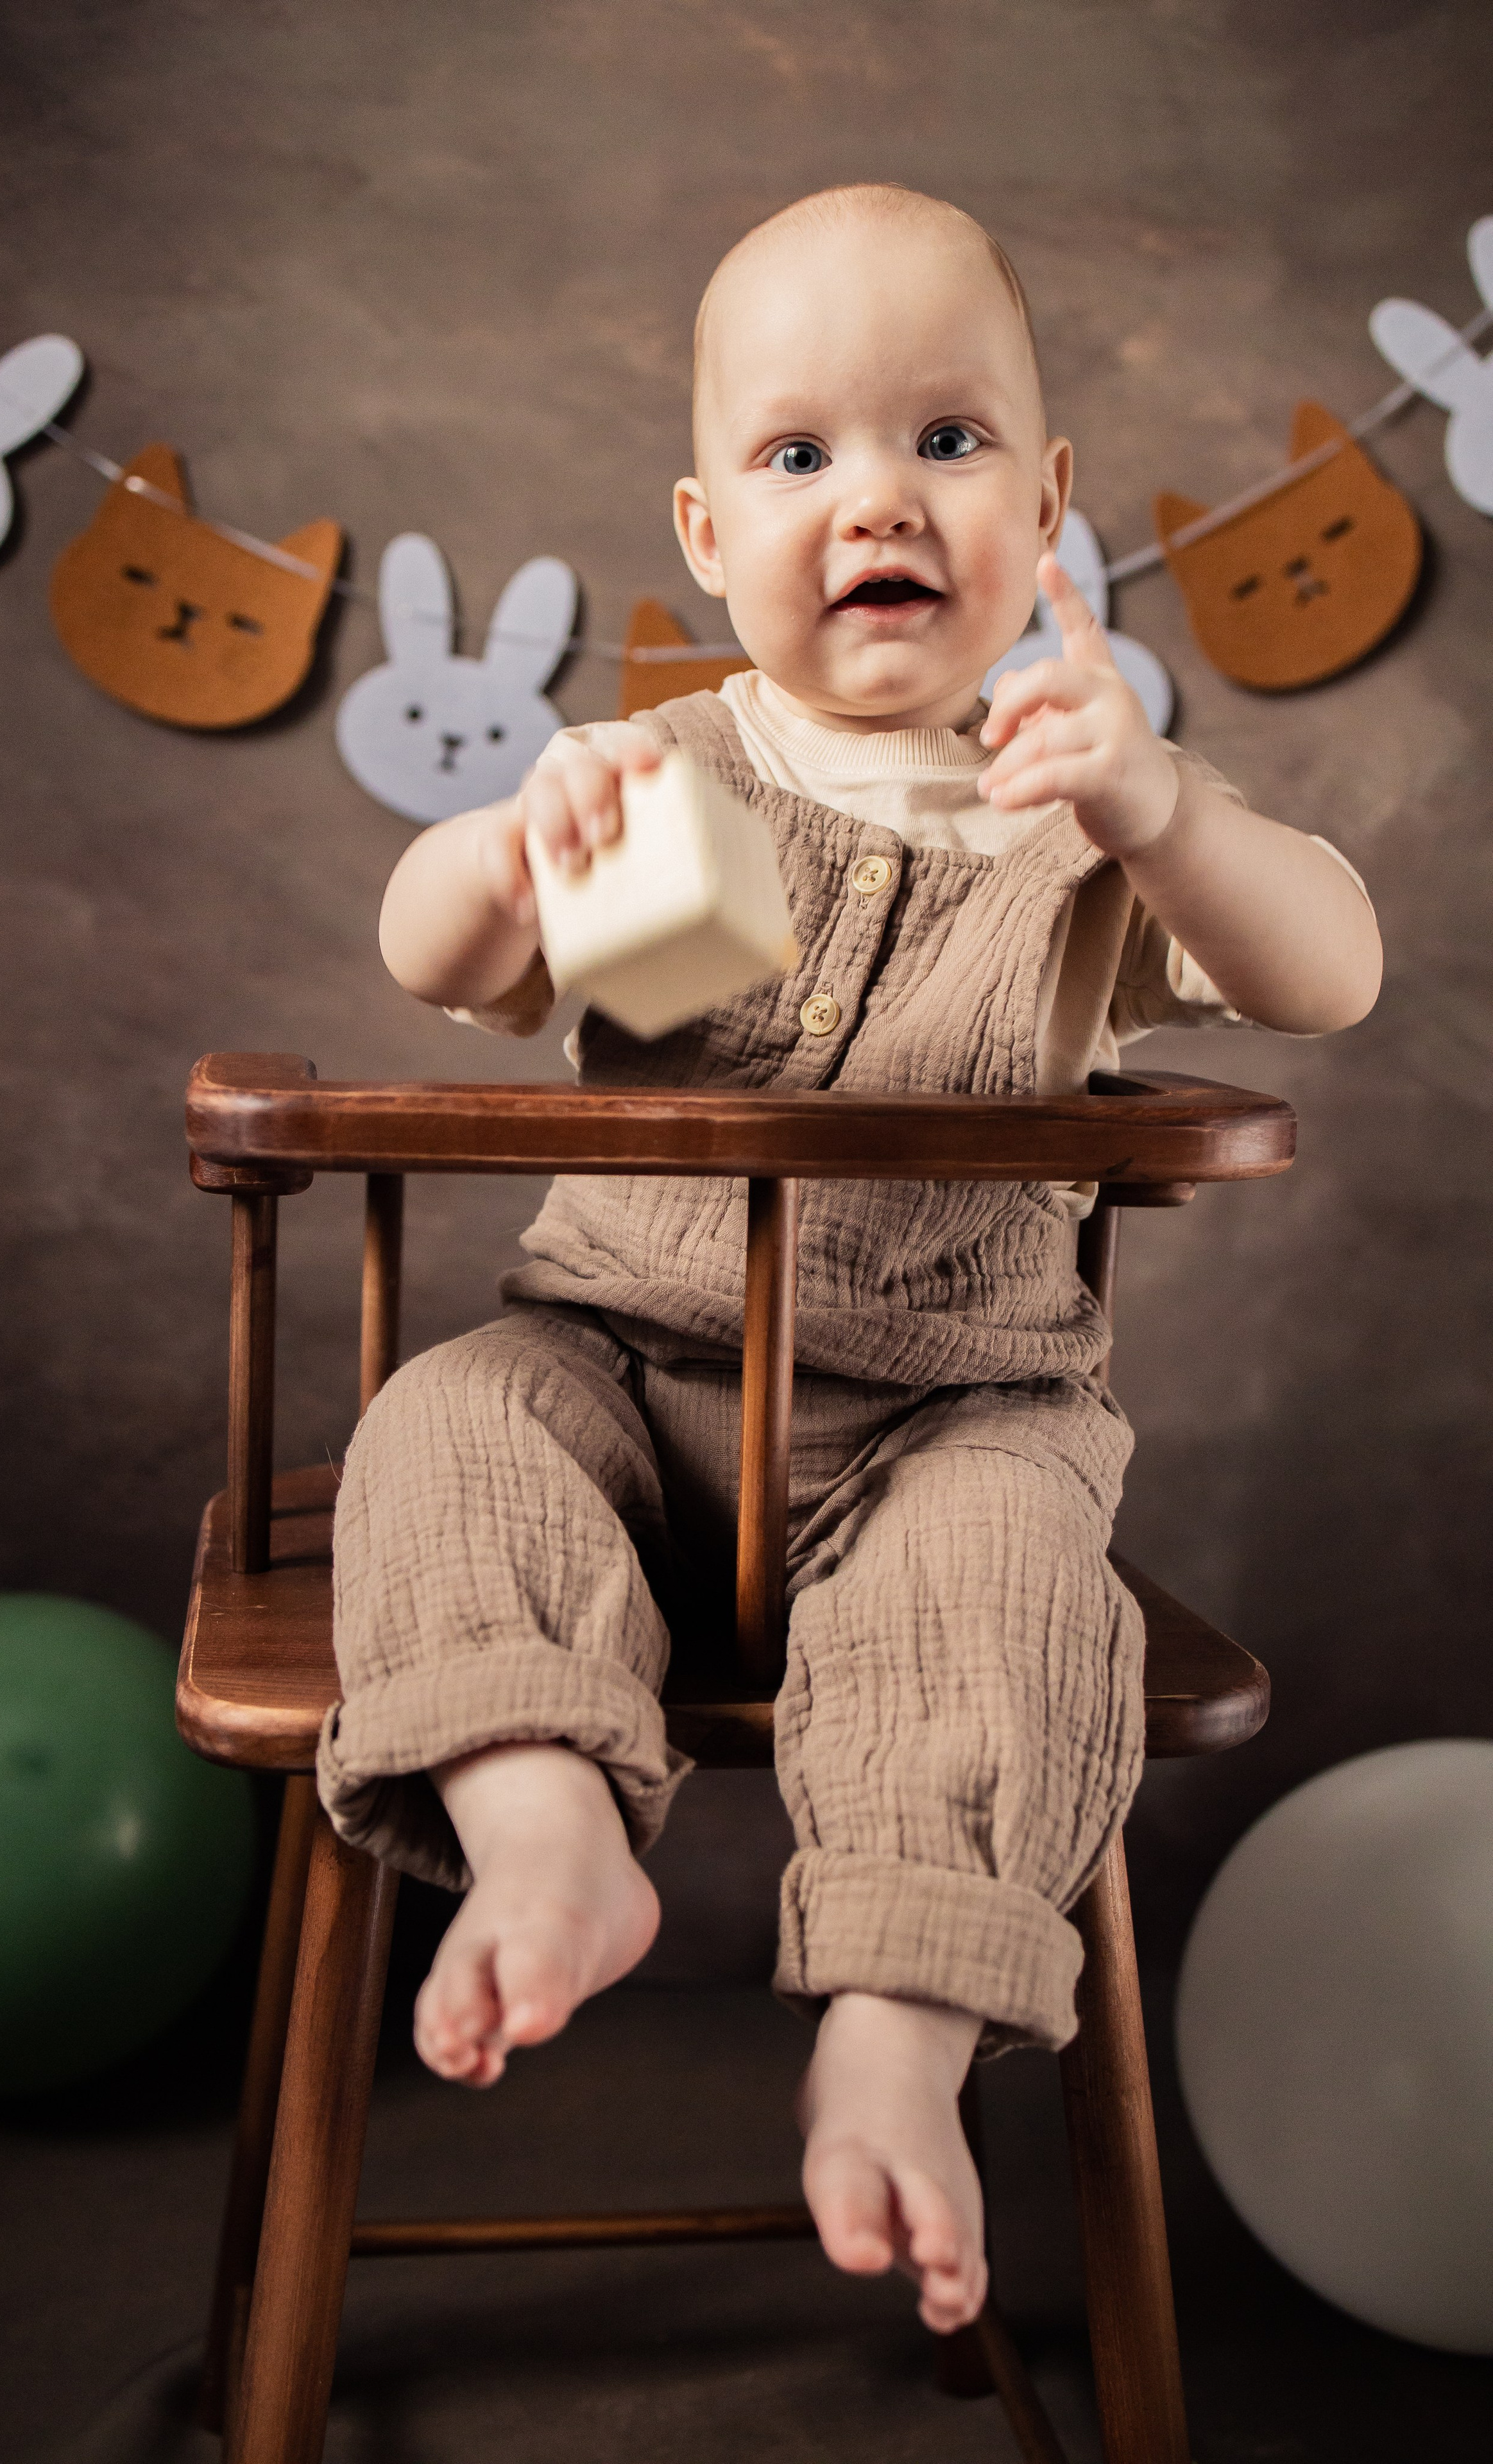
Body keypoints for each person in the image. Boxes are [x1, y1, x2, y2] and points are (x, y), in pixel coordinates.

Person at [320, 184, 1381, 2333]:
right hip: (619, 1381)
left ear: (1052, 503)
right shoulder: (664, 776)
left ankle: (893, 2034)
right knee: (437, 1426)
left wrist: (1170, 812)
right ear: (709, 534)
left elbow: (1333, 969)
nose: (878, 499)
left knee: (1013, 1597)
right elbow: (428, 954)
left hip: (951, 1419)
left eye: (949, 440)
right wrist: (522, 846)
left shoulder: (1079, 799)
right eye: (804, 457)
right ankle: (542, 1824)